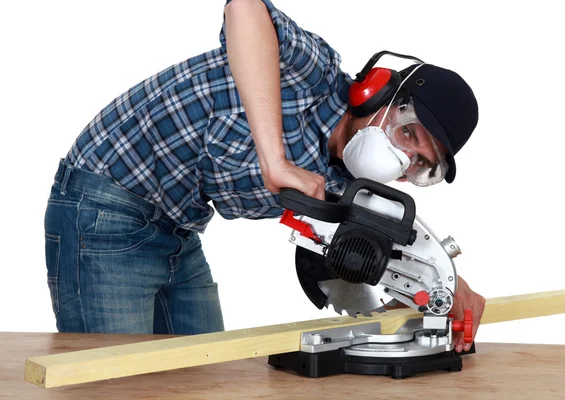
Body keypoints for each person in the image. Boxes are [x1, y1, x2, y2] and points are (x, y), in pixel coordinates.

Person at [43, 0, 484, 353]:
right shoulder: (314, 73)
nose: (401, 160)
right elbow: (244, 7)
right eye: (407, 134)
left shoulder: (339, 184)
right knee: (107, 383)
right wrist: (275, 159)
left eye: (419, 162)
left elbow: (383, 249)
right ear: (376, 92)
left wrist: (446, 285)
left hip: (176, 229)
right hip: (104, 205)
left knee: (200, 377)